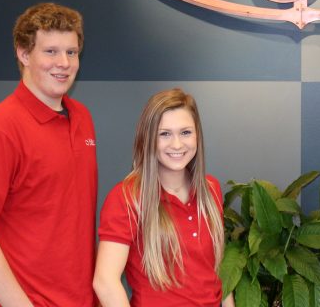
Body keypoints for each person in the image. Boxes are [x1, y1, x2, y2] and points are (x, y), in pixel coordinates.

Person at [0, 2, 97, 306]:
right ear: (23, 54)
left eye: (71, 52)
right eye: (50, 51)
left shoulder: (82, 117)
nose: (64, 62)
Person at [93, 88, 234, 307]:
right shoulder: (126, 198)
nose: (177, 144)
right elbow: (105, 281)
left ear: (198, 135)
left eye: (185, 132)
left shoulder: (210, 189)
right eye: (164, 134)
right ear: (147, 139)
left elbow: (218, 268)